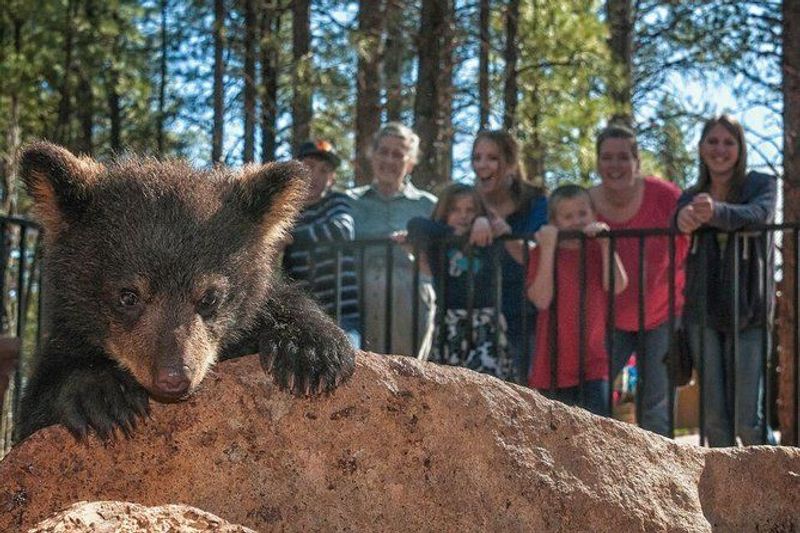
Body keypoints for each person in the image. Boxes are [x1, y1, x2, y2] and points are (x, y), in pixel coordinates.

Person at [675, 114, 777, 446]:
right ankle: (727, 498)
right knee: (715, 422)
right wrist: (683, 218)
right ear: (701, 147)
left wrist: (715, 213)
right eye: (713, 141)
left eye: (728, 142)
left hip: (749, 311)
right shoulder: (691, 194)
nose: (720, 149)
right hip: (702, 313)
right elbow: (675, 221)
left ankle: (782, 490)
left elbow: (758, 215)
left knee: (749, 422)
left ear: (740, 148)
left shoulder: (760, 184)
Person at [588, 124, 687, 436]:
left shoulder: (666, 197)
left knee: (655, 407)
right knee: (592, 398)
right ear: (597, 162)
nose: (615, 165)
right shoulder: (586, 203)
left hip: (661, 313)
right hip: (606, 317)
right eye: (607, 157)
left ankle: (661, 481)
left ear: (636, 161)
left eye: (623, 157)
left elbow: (691, 240)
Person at [526, 185, 628, 415]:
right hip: (551, 364)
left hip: (593, 363)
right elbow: (541, 300)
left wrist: (606, 246)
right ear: (554, 221)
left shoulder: (597, 248)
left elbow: (618, 286)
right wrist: (548, 249)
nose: (577, 221)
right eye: (568, 216)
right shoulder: (541, 252)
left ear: (594, 214)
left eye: (583, 214)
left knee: (597, 434)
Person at [403, 183, 514, 380]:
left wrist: (483, 221)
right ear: (444, 212)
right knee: (448, 383)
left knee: (488, 382)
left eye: (470, 210)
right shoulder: (439, 242)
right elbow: (415, 224)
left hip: (484, 321)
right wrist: (452, 234)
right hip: (449, 321)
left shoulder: (486, 239)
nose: (463, 216)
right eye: (455, 209)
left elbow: (503, 230)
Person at [347, 122, 437, 358]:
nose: (388, 160)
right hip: (359, 296)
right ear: (372, 155)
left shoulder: (428, 205)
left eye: (397, 154)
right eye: (383, 151)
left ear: (410, 162)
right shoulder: (348, 202)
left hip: (411, 297)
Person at [470, 130, 548, 382]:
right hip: (481, 320)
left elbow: (540, 256)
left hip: (527, 318)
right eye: (477, 157)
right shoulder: (467, 203)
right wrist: (479, 218)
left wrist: (508, 236)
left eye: (492, 158)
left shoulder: (537, 204)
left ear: (511, 164)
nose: (483, 165)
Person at [282, 140, 360, 347]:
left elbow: (342, 229)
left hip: (342, 315)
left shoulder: (336, 202)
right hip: (303, 316)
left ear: (332, 179)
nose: (316, 175)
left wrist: (293, 239)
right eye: (309, 167)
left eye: (324, 170)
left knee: (348, 359)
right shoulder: (285, 212)